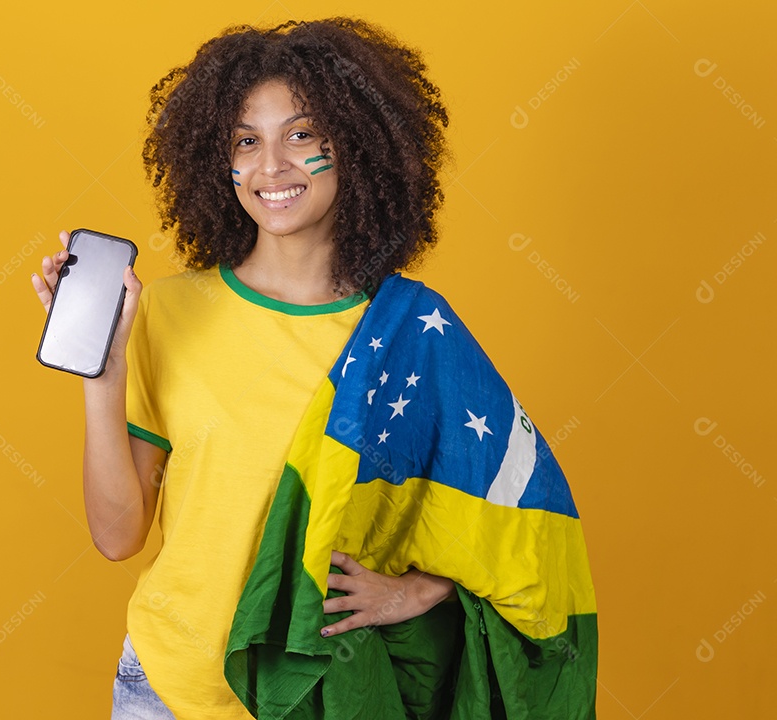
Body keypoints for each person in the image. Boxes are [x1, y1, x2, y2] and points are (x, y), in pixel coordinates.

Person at [32, 17, 596, 719]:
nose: (271, 166)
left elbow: (518, 520)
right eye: (246, 141)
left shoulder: (411, 334)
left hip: (325, 693)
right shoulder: (168, 312)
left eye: (301, 136)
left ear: (356, 144)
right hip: (168, 688)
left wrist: (420, 591)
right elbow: (117, 537)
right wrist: (103, 374)